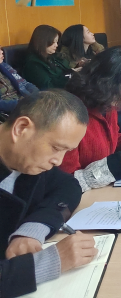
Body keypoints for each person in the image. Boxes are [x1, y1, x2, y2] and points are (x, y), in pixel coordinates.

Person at [0, 90, 98, 297]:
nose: (59, 161)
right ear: (21, 128)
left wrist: (33, 228)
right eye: (55, 147)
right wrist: (50, 262)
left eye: (66, 151)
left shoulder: (26, 159)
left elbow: (69, 186)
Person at [62, 47, 121, 192]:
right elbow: (66, 183)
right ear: (106, 81)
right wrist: (118, 164)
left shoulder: (107, 104)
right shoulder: (69, 115)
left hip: (106, 191)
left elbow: (115, 142)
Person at [22, 25, 73, 90]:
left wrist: (74, 71)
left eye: (57, 42)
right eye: (53, 42)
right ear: (43, 42)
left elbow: (65, 70)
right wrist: (70, 78)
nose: (56, 45)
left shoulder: (53, 56)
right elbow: (48, 86)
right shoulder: (33, 64)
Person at [0, 46, 39, 114]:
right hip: (11, 110)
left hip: (25, 101)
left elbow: (25, 83)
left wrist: (36, 95)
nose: (2, 52)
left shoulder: (5, 66)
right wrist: (23, 104)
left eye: (0, 49)